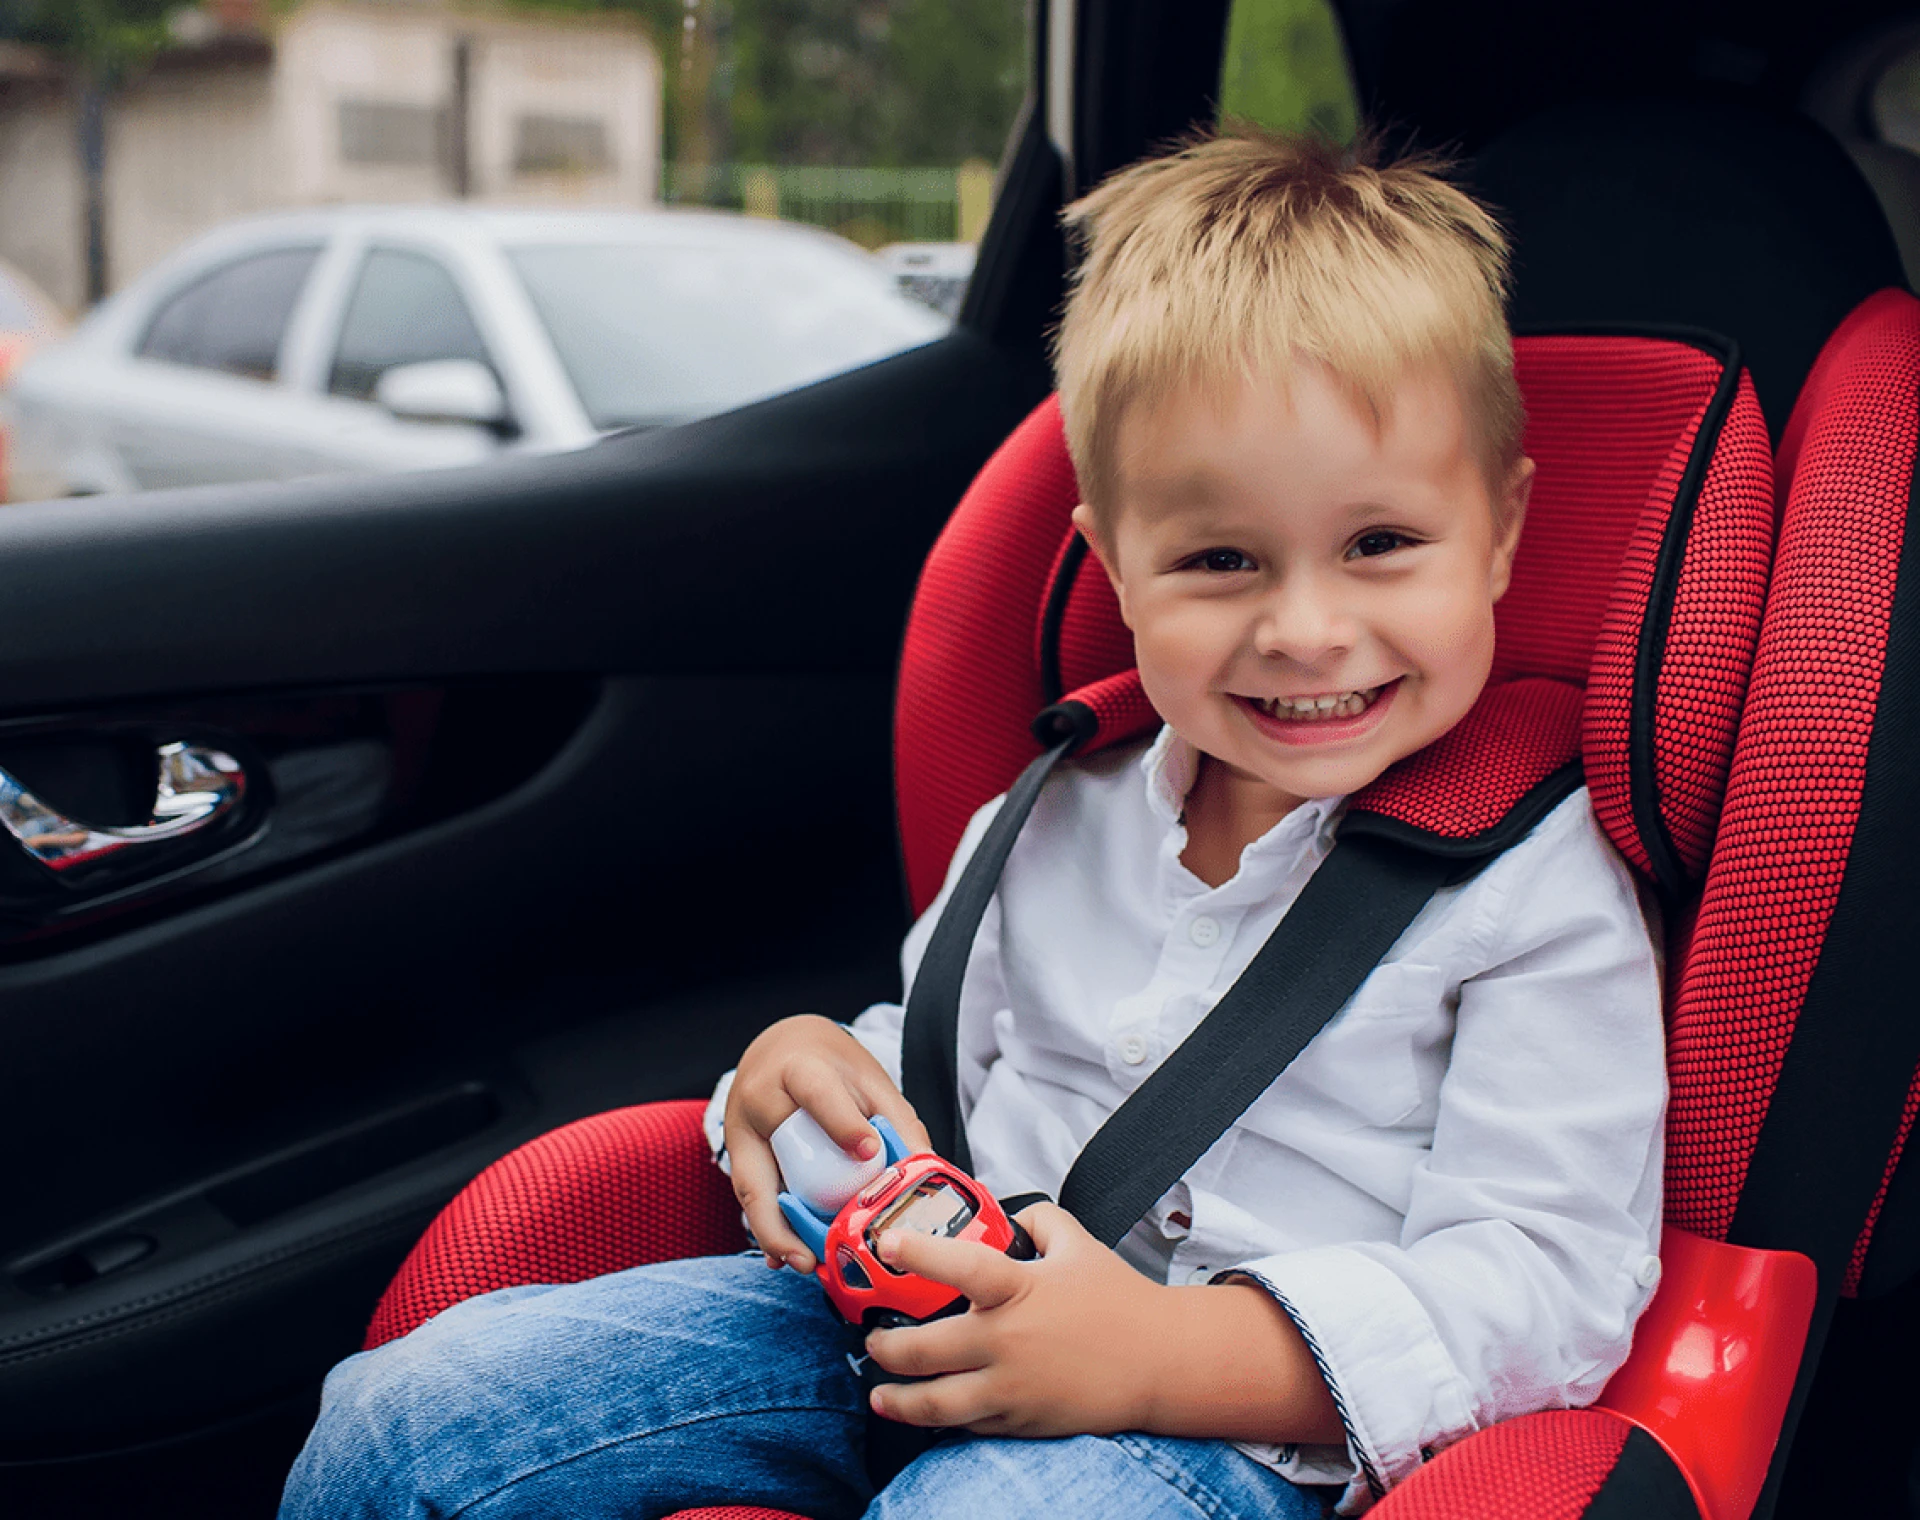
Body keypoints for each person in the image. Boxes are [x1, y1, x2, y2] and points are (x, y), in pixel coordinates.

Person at [279, 128, 1665, 1520]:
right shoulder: (1053, 811)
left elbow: (1544, 1284)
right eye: (1219, 559)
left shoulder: (1531, 895)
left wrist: (1163, 1357)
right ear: (1114, 566)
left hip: (1220, 1435)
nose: (1305, 629)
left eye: (1380, 545)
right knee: (409, 1420)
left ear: (1500, 531)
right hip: (898, 1317)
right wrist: (808, 1081)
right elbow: (930, 1077)